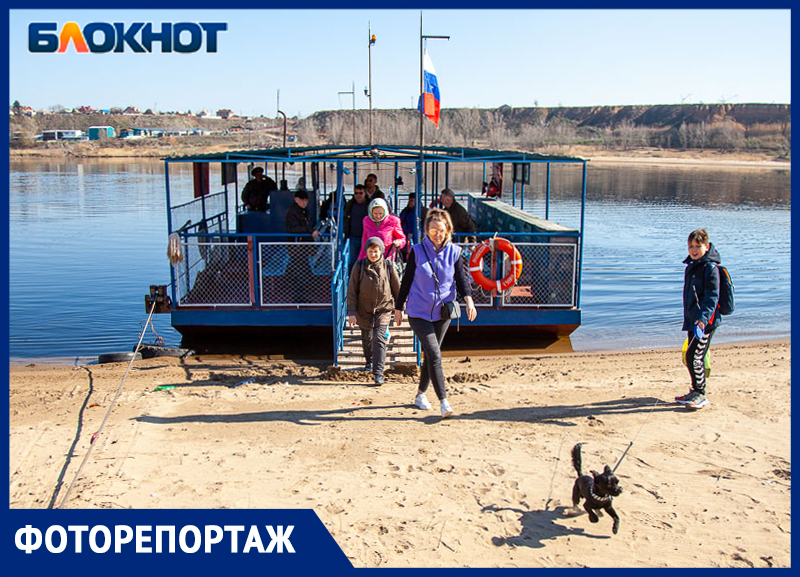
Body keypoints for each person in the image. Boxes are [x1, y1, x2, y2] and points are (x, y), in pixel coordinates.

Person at [394, 209, 478, 418]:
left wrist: (469, 301)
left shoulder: (455, 253)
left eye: (440, 231)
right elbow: (406, 281)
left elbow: (461, 280)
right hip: (418, 311)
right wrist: (398, 307)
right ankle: (444, 401)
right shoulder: (417, 251)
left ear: (448, 230)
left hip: (443, 312)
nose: (436, 235)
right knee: (434, 354)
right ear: (427, 231)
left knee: (431, 355)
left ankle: (420, 394)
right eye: (432, 231)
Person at [677, 228, 723, 410]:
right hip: (693, 320)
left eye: (698, 246)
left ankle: (700, 394)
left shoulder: (710, 268)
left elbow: (712, 297)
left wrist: (702, 320)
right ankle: (695, 390)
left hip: (705, 322)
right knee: (691, 355)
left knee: (694, 356)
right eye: (691, 246)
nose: (694, 250)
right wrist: (691, 319)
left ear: (707, 246)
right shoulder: (691, 267)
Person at [347, 236, 401, 385]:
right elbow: (352, 290)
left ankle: (378, 373)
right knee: (367, 339)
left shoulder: (389, 266)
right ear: (366, 252)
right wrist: (352, 313)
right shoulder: (359, 266)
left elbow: (397, 289)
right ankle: (369, 361)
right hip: (363, 309)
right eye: (370, 251)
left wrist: (399, 309)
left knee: (379, 338)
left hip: (383, 309)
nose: (373, 254)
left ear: (381, 251)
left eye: (376, 251)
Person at [285, 190, 320, 303]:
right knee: (299, 273)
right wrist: (310, 232)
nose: (304, 202)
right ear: (296, 200)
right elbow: (292, 229)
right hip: (296, 248)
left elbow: (306, 225)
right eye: (302, 200)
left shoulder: (304, 211)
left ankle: (300, 296)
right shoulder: (293, 212)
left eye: (306, 200)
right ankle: (298, 298)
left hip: (303, 247)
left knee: (303, 272)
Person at [357, 198, 406, 262]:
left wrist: (398, 243)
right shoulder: (366, 220)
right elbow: (365, 241)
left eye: (380, 213)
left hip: (387, 257)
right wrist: (360, 260)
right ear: (371, 212)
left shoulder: (394, 220)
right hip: (372, 256)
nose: (378, 216)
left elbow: (402, 238)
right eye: (375, 213)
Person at [343, 184, 370, 271]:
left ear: (365, 193)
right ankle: (352, 280)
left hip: (366, 237)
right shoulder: (350, 205)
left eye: (360, 193)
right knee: (352, 261)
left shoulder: (369, 205)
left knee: (366, 260)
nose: (358, 195)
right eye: (356, 193)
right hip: (353, 236)